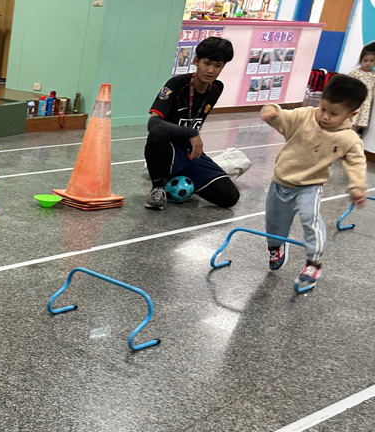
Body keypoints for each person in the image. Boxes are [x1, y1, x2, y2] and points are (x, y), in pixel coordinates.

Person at [260, 75, 368, 292]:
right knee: (273, 224)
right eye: (323, 109)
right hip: (280, 182)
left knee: (311, 220)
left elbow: (356, 163)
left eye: (334, 114)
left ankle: (314, 263)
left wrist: (357, 186)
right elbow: (284, 118)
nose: (325, 117)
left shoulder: (348, 138)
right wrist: (272, 112)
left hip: (310, 187)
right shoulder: (305, 116)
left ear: (352, 114)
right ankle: (276, 247)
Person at [144, 36, 240, 210]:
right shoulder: (176, 84)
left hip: (191, 153)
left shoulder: (217, 88)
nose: (210, 70)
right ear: (196, 61)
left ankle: (177, 179)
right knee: (157, 132)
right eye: (207, 63)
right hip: (168, 150)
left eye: (217, 66)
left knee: (229, 197)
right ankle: (158, 187)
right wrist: (191, 133)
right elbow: (153, 123)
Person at [345, 41, 375, 138]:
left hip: (366, 105)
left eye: (372, 61)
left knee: (359, 124)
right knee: (350, 121)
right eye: (365, 60)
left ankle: (353, 137)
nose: (368, 63)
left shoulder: (373, 75)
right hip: (356, 102)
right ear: (360, 60)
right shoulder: (355, 73)